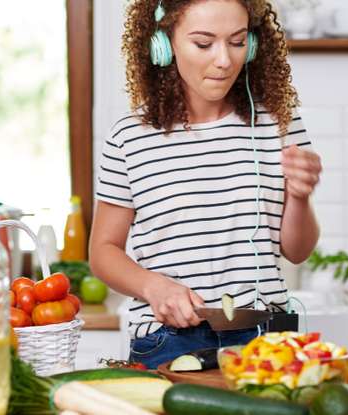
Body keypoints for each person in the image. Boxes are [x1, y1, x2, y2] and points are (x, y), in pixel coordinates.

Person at [89, 0, 322, 369]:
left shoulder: (278, 124)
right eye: (203, 43)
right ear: (163, 45)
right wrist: (154, 287)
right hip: (168, 339)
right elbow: (103, 251)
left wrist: (300, 196)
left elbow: (297, 251)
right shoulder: (129, 137)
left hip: (266, 338)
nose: (224, 60)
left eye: (237, 41)